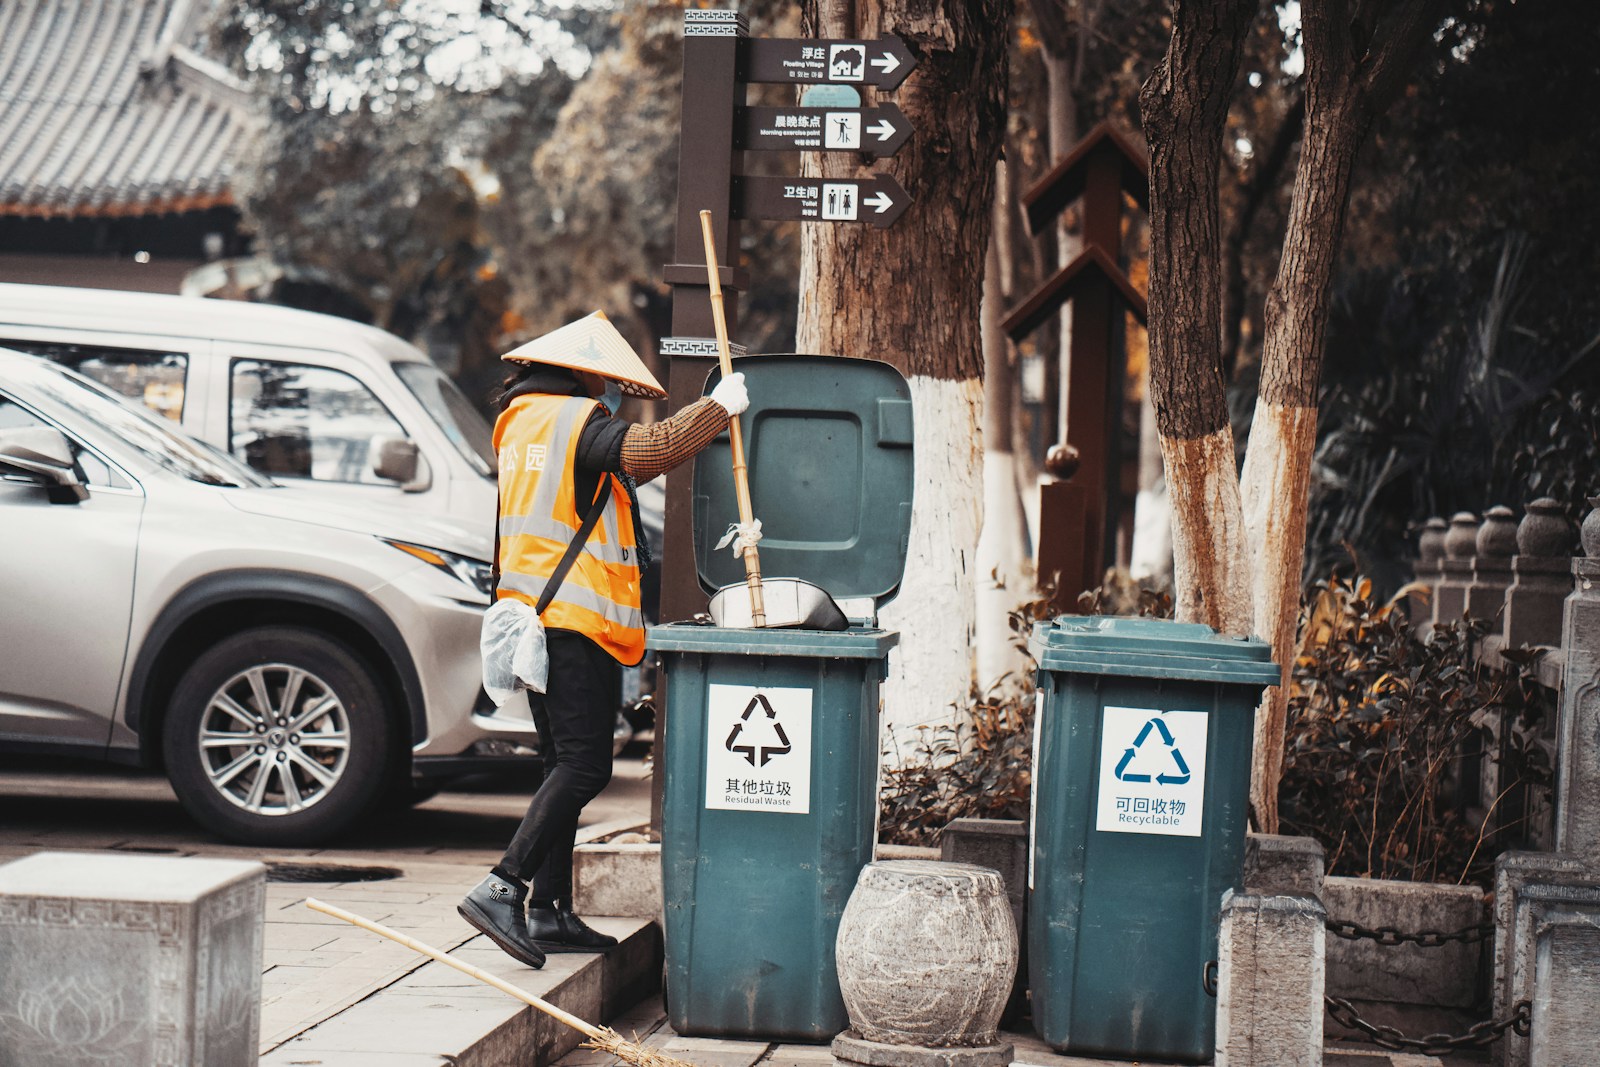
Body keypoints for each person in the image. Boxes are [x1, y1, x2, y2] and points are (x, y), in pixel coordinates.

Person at [459, 310, 748, 968]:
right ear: (586, 374)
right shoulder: (573, 420)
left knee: (561, 760)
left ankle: (551, 909)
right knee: (585, 764)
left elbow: (607, 481)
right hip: (570, 624)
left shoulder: (525, 422)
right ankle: (503, 885)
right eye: (608, 384)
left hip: (532, 617)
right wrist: (716, 410)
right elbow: (649, 450)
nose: (611, 397)